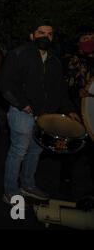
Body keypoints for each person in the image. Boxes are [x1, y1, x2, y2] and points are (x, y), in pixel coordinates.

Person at [0, 19, 80, 204]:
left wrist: (69, 110)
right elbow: (5, 84)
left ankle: (28, 185)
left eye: (49, 34)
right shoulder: (18, 54)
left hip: (44, 117)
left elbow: (60, 90)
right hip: (23, 113)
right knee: (18, 152)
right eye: (41, 32)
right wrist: (23, 104)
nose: (46, 37)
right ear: (32, 35)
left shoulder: (55, 61)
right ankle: (10, 191)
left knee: (35, 151)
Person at [60, 27, 94, 197]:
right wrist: (77, 92)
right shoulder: (72, 60)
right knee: (72, 148)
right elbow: (63, 86)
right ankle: (65, 183)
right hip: (76, 110)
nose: (90, 41)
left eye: (92, 37)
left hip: (92, 111)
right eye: (86, 38)